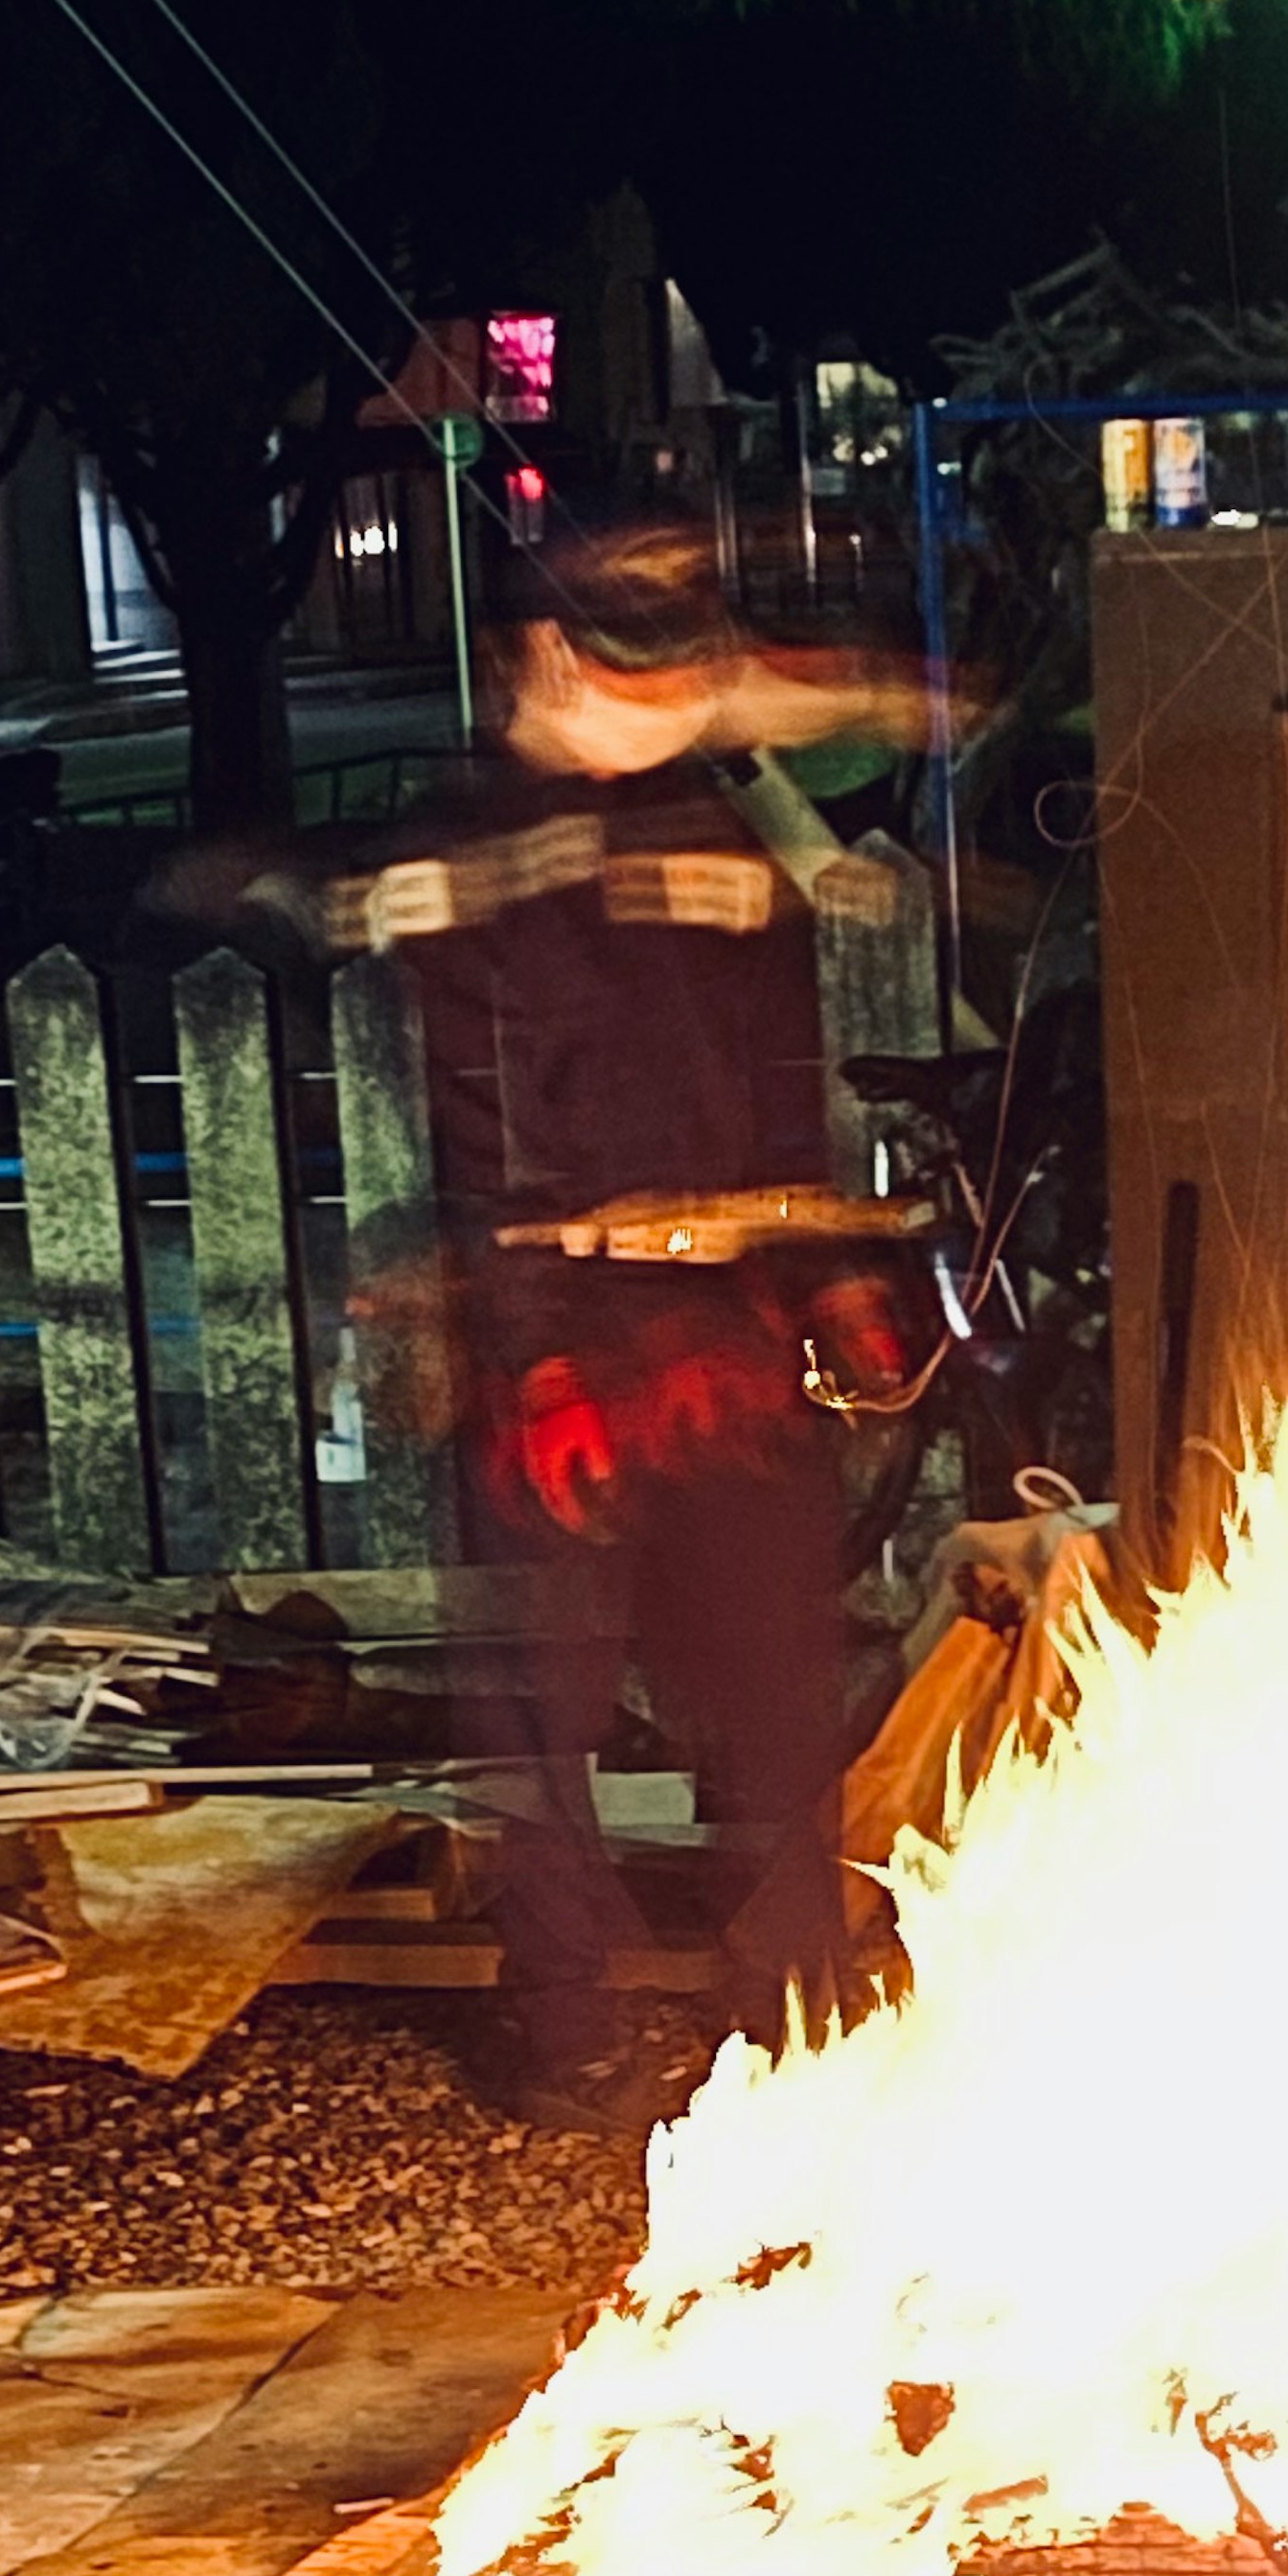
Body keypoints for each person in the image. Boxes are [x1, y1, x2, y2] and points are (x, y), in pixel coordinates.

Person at [340, 514, 936, 2132]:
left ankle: (798, 2005)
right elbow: (476, 1109)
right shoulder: (463, 861)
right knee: (544, 1704)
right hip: (546, 1337)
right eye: (624, 650)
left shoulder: (733, 855)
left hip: (725, 1335)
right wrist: (521, 1331)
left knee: (774, 1684)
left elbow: (777, 1099)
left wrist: (831, 1279)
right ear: (537, 658)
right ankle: (563, 2025)